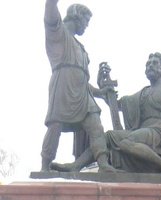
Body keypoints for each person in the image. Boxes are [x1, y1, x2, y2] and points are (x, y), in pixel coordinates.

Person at [55, 52, 161, 174]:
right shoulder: (142, 94)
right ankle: (76, 166)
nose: (150, 66)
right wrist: (104, 88)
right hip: (145, 131)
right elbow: (117, 105)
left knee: (126, 142)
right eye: (148, 64)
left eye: (154, 63)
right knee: (107, 136)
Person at [40, 1, 113, 172]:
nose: (86, 26)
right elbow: (50, 12)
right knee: (55, 125)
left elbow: (82, 81)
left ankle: (103, 163)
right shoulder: (58, 32)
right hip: (63, 87)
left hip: (83, 94)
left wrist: (100, 92)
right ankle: (45, 166)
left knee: (96, 125)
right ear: (77, 16)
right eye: (86, 21)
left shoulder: (81, 48)